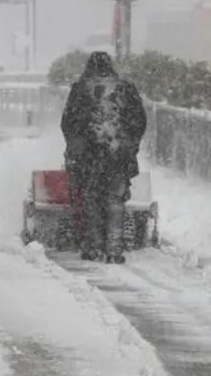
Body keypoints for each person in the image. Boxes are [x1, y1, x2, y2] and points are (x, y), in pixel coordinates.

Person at [60, 51, 147, 263]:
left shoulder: (80, 90)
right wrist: (130, 144)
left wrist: (76, 147)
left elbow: (68, 123)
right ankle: (114, 250)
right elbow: (139, 121)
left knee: (91, 199)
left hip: (89, 156)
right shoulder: (126, 89)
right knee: (115, 201)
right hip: (118, 155)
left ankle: (94, 247)